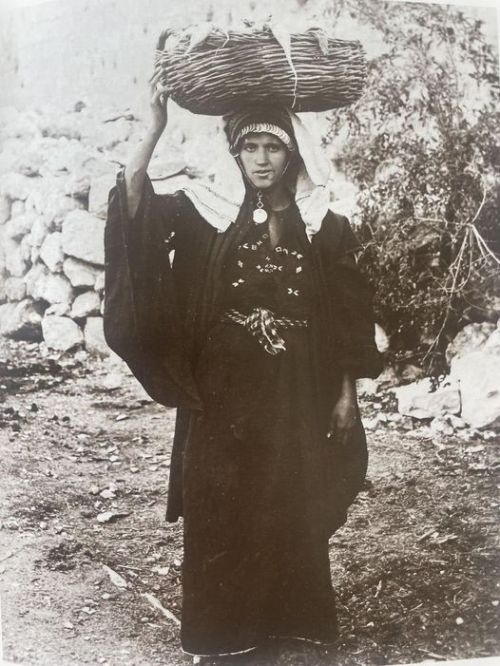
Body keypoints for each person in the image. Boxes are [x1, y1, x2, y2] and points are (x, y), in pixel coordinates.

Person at [104, 71, 383, 664]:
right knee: (220, 505)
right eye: (249, 147)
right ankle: (222, 638)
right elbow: (133, 209)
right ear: (233, 150)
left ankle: (292, 626)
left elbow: (346, 315)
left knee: (293, 497)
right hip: (222, 393)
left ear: (293, 151)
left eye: (273, 146)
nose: (261, 159)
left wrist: (345, 395)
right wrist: (152, 130)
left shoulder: (323, 220)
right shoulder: (205, 211)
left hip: (297, 391)